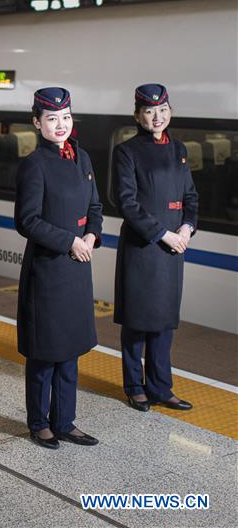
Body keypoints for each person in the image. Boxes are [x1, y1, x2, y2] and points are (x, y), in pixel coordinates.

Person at [14, 87, 102, 450]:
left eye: (66, 117)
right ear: (37, 123)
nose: (60, 124)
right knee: (45, 353)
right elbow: (27, 221)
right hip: (48, 272)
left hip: (78, 268)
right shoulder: (35, 165)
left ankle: (65, 421)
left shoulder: (82, 159)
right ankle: (39, 422)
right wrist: (70, 242)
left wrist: (92, 236)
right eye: (51, 119)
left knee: (71, 350)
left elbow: (95, 206)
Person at [113, 83, 197, 412]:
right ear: (138, 116)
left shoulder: (180, 149)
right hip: (143, 246)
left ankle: (161, 388)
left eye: (162, 110)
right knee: (137, 322)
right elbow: (127, 203)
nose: (157, 116)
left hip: (174, 247)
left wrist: (188, 227)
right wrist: (165, 234)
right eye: (149, 111)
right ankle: (135, 387)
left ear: (170, 112)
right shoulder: (127, 151)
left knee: (164, 322)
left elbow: (190, 196)